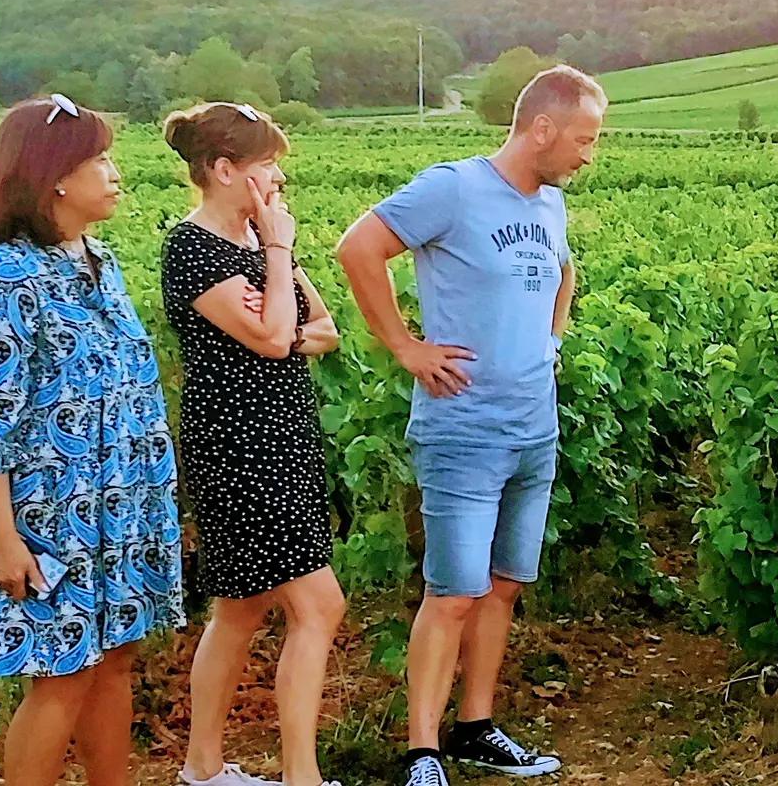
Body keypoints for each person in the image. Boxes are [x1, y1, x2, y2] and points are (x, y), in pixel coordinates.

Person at [335, 65, 605, 786]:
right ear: (540, 128)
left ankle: (475, 726)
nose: (589, 154)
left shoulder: (550, 204)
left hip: (532, 428)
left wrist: (550, 344)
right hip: (463, 429)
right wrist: (404, 347)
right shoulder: (451, 188)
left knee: (503, 585)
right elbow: (357, 248)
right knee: (452, 593)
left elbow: (563, 274)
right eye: (583, 138)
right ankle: (421, 752)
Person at [0, 94, 185, 786]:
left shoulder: (98, 259)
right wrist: (0, 537)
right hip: (52, 514)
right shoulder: (8, 275)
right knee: (62, 675)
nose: (114, 171)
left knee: (117, 657)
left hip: (119, 507)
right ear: (53, 179)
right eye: (97, 158)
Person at [160, 103, 345, 786]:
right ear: (224, 169)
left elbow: (320, 327)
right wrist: (278, 252)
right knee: (319, 604)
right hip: (239, 444)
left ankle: (202, 770)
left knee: (240, 606)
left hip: (283, 433)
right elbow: (273, 337)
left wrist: (280, 305)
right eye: (267, 165)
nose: (277, 179)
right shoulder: (195, 248)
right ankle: (302, 777)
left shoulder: (250, 247)